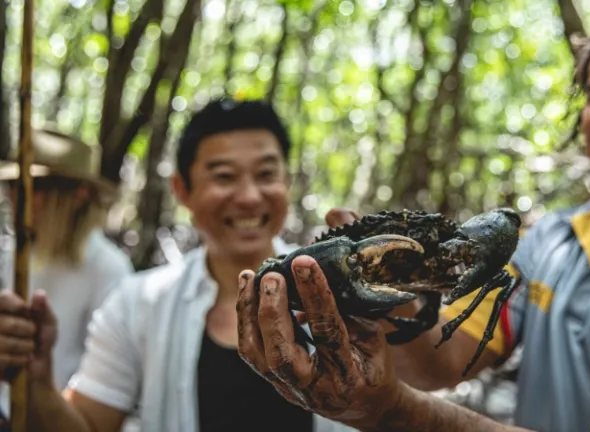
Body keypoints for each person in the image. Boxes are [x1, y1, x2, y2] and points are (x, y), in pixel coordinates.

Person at [236, 9, 590, 432]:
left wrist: (389, 411)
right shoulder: (556, 240)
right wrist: (397, 299)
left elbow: (416, 393)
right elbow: (447, 361)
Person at [0, 99, 352, 431]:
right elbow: (88, 425)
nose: (248, 197)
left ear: (286, 182)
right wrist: (36, 378)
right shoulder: (138, 305)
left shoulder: (340, 291)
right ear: (183, 189)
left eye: (266, 174)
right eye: (224, 176)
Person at [0, 129, 134, 412]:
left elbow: (108, 382)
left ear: (79, 195)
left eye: (33, 186)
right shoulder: (13, 254)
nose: (14, 196)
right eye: (12, 185)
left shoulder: (108, 269)